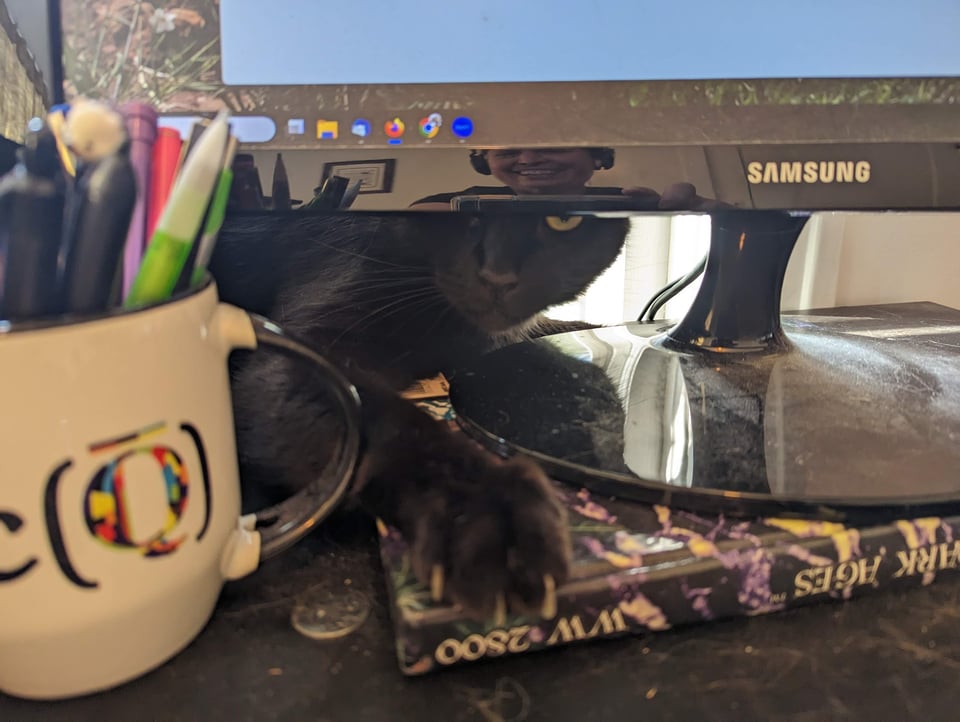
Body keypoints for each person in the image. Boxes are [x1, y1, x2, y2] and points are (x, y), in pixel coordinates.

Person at [411, 147, 725, 210]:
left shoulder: (630, 202)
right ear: (487, 163)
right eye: (508, 151)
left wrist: (717, 218)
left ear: (596, 157)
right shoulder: (447, 205)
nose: (529, 159)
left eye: (554, 146)